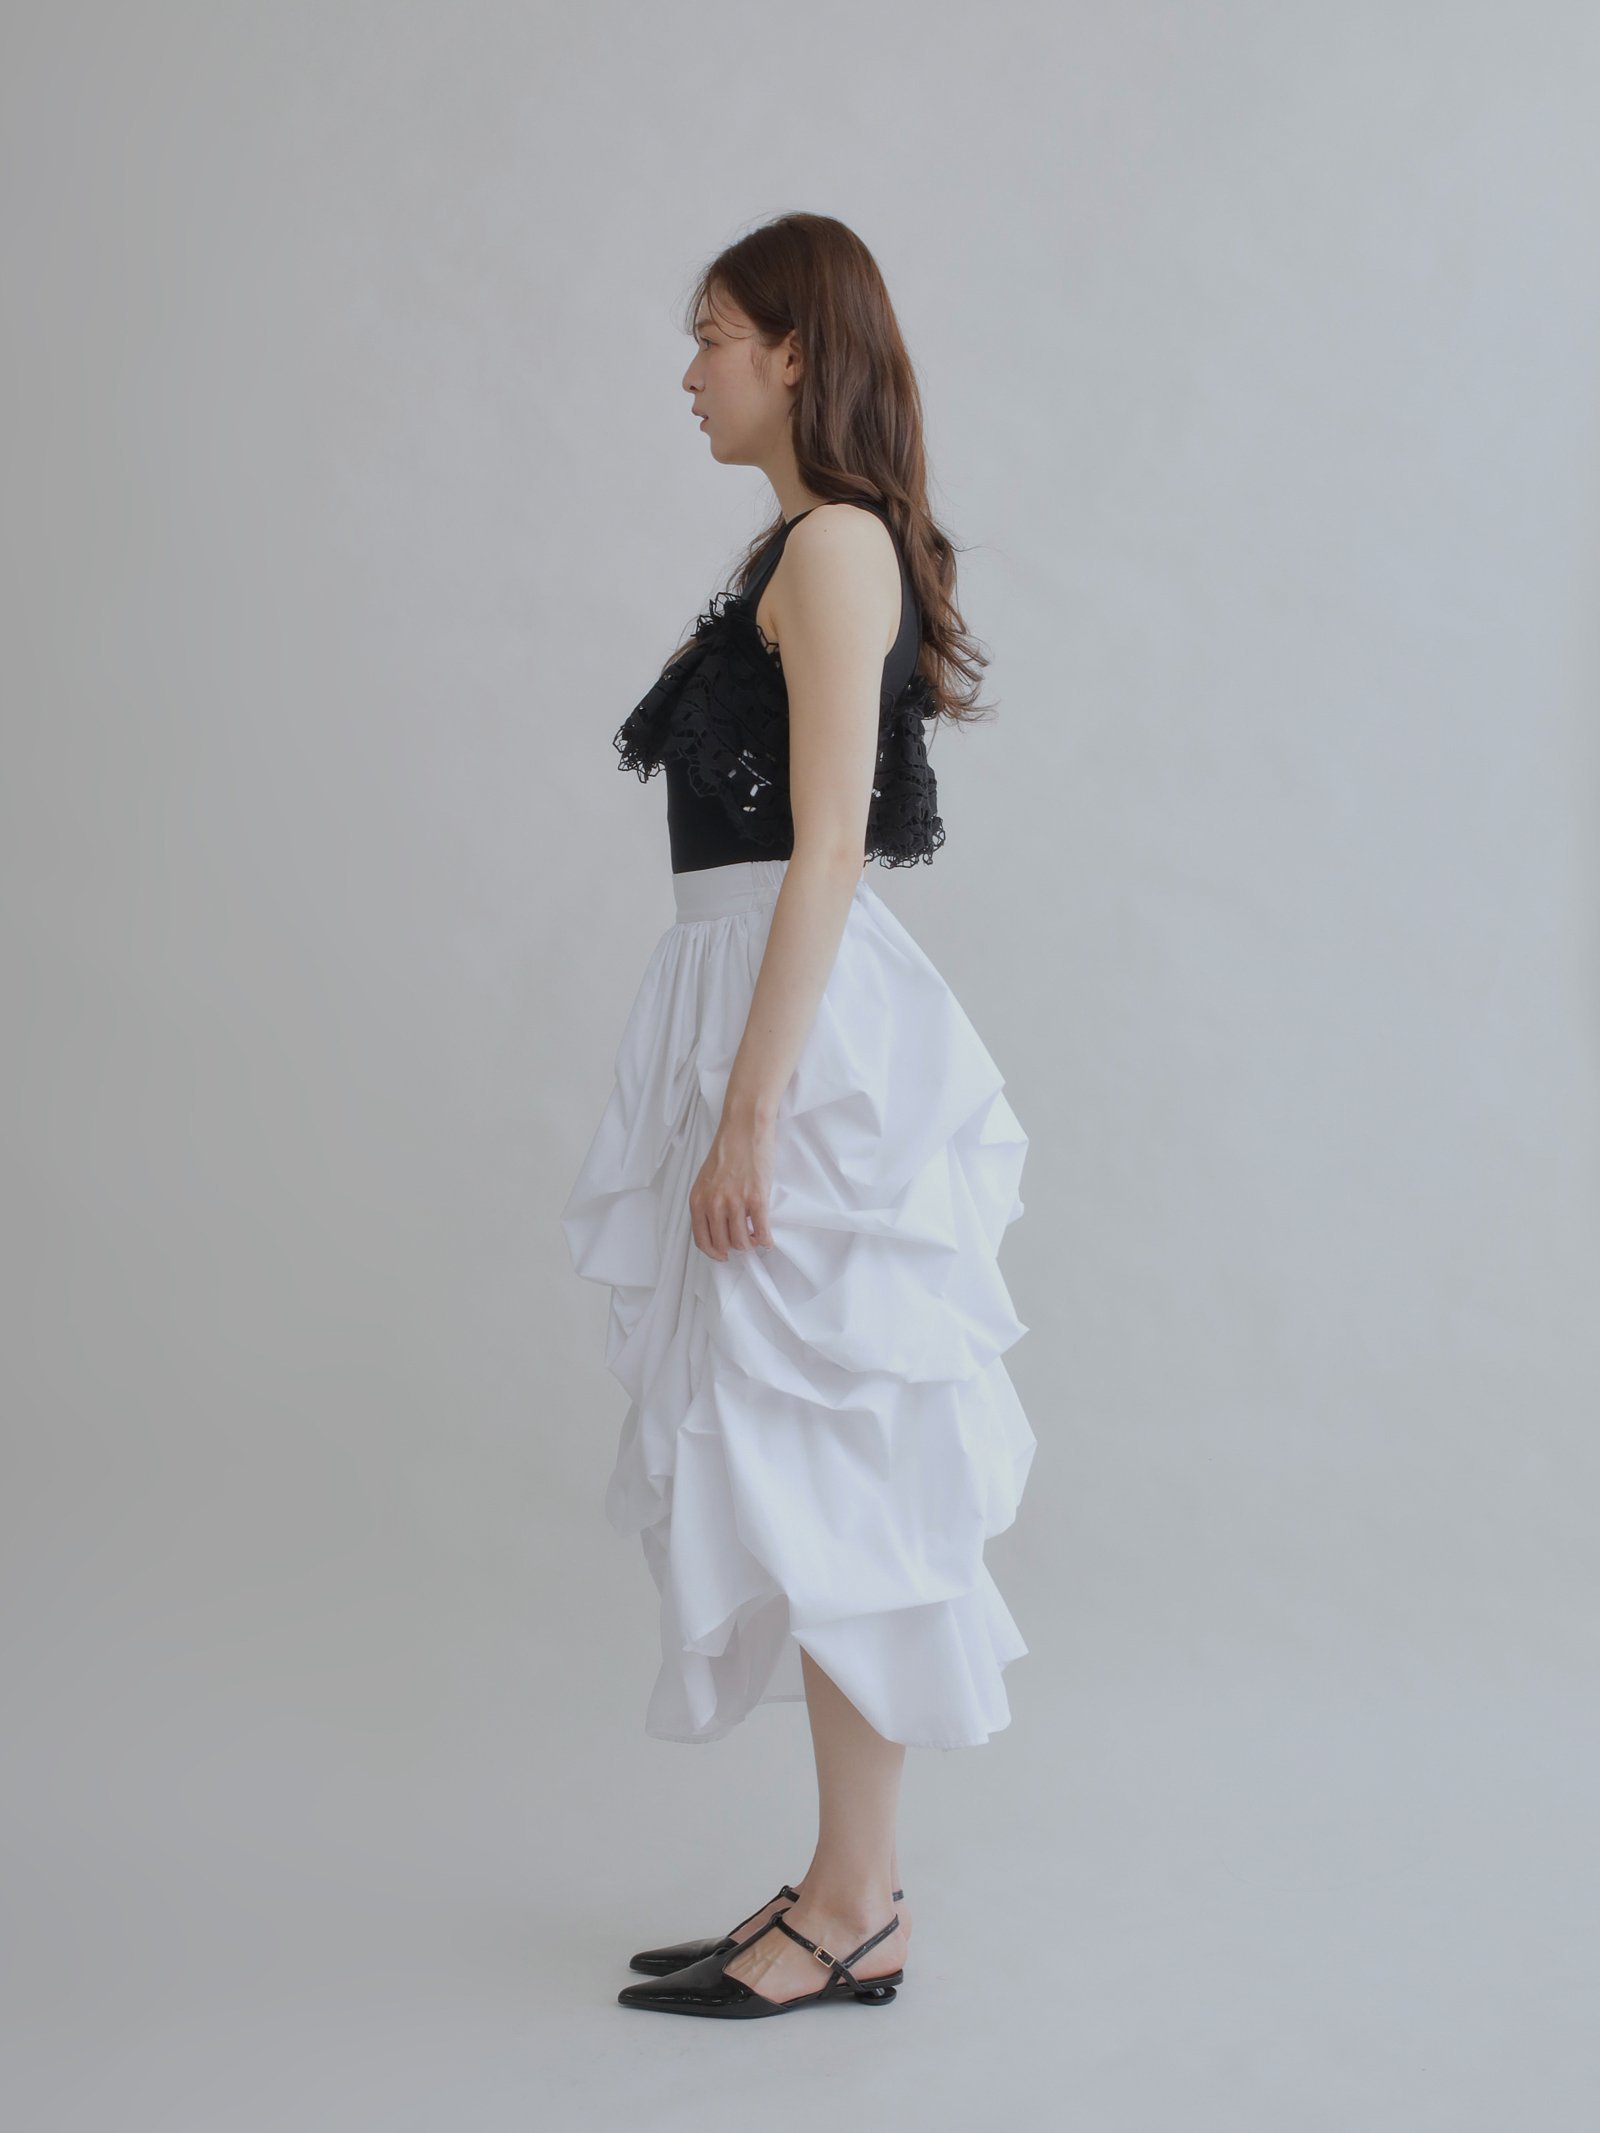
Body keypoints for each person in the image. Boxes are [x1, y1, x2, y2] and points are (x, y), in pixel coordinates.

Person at [560, 213, 1036, 2019]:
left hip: (803, 1038)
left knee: (837, 1459)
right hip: (757, 1006)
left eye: (712, 337)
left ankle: (855, 1903)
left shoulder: (833, 546)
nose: (688, 372)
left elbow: (827, 846)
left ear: (793, 354)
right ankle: (854, 1888)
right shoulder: (797, 545)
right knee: (800, 1455)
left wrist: (749, 1111)